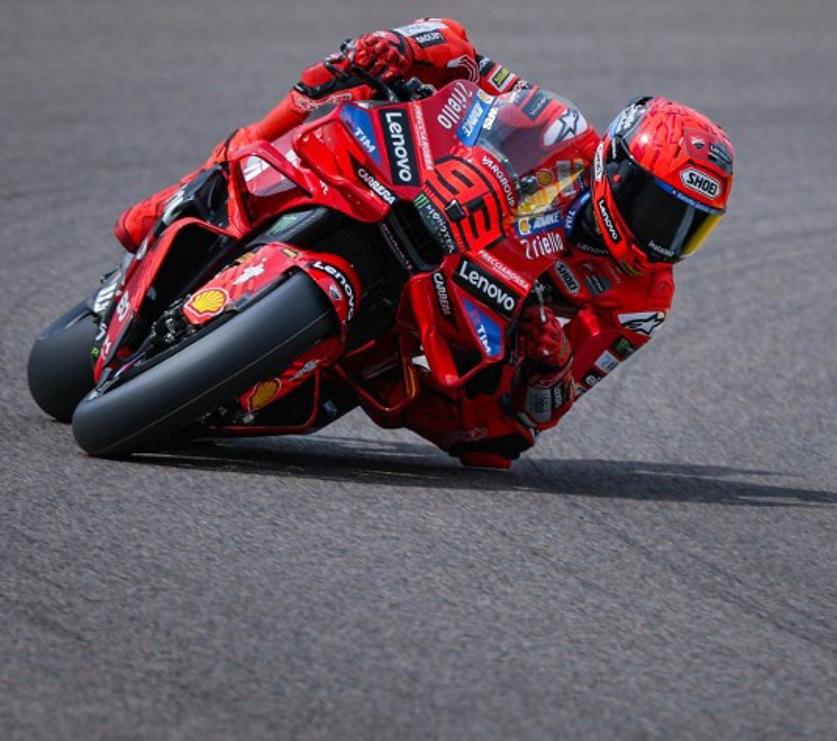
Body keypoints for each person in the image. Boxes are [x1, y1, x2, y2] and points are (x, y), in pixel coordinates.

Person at [114, 18, 734, 469]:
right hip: (432, 207)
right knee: (343, 86)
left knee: (497, 446)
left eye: (691, 225)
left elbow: (544, 412)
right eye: (661, 210)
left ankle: (299, 367)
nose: (666, 237)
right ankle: (199, 187)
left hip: (473, 323)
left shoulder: (644, 298)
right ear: (616, 168)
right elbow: (467, 55)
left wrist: (549, 362)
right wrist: (403, 47)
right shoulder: (558, 136)